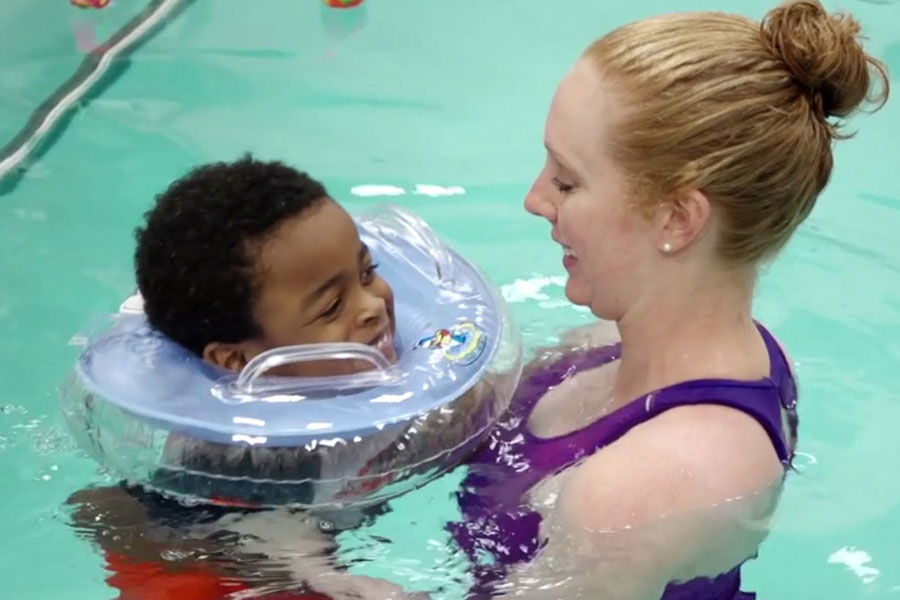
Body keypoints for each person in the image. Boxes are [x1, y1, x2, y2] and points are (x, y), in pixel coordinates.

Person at [450, 1, 889, 599]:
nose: (534, 199)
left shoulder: (641, 489)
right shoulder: (635, 350)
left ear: (678, 218)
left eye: (567, 181)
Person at [68, 156, 439, 600]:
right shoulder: (243, 446)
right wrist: (326, 577)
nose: (373, 306)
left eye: (367, 273)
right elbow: (260, 527)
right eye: (331, 308)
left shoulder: (403, 372)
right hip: (200, 557)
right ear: (234, 359)